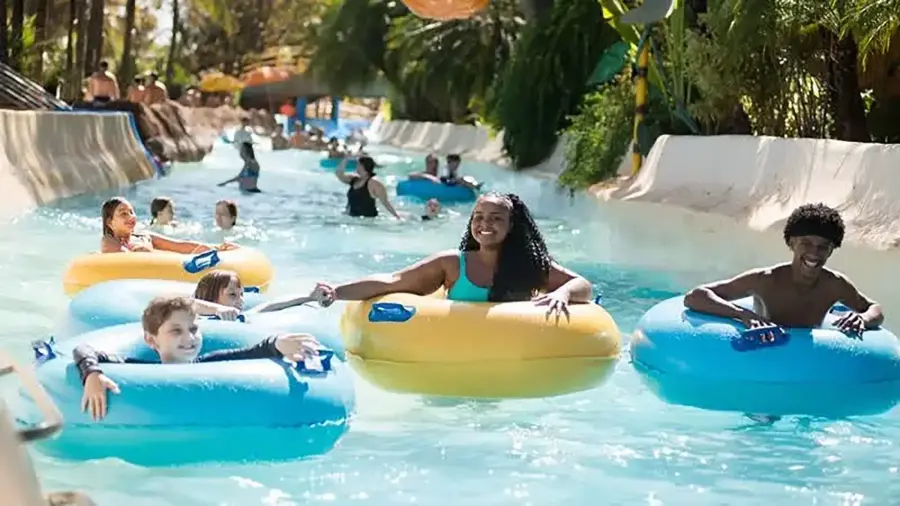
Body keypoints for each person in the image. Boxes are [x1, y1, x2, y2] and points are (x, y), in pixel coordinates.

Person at [684, 203, 885, 423]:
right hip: (764, 361)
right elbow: (696, 296)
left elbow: (874, 308)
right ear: (791, 243)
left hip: (807, 363)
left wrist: (863, 319)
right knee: (764, 420)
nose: (813, 253)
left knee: (814, 423)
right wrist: (742, 314)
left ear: (831, 249)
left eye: (822, 247)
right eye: (806, 243)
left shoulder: (834, 284)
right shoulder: (766, 279)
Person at [298, 193, 591, 316]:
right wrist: (335, 292)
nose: (484, 224)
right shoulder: (452, 264)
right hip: (453, 349)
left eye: (495, 218)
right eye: (478, 216)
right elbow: (393, 282)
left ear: (512, 226)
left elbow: (582, 285)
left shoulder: (529, 265)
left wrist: (562, 294)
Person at [76, 296, 324, 421]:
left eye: (193, 329)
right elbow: (83, 349)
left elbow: (251, 352)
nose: (189, 338)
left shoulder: (210, 364)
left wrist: (278, 343)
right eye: (176, 331)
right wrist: (92, 374)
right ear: (151, 340)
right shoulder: (135, 369)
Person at [100, 197, 234, 254]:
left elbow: (179, 246)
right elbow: (123, 257)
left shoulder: (144, 236)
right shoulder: (109, 240)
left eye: (131, 212)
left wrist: (217, 248)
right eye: (123, 214)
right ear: (110, 222)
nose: (131, 217)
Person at [191, 270, 317, 315]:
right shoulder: (193, 319)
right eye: (232, 295)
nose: (240, 300)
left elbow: (273, 304)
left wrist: (309, 296)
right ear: (210, 296)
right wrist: (217, 309)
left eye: (241, 294)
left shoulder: (240, 317)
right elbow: (186, 303)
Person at [335, 155, 400, 219]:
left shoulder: (375, 185)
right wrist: (346, 159)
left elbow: (385, 203)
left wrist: (396, 216)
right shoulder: (353, 180)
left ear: (363, 167)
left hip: (368, 220)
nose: (356, 166)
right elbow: (339, 174)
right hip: (352, 217)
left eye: (358, 165)